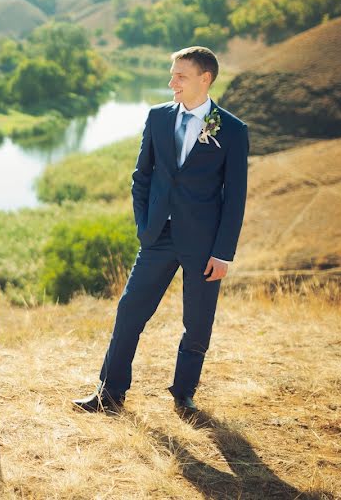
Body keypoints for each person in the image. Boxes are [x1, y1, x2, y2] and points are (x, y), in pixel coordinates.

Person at [74, 46, 249, 414]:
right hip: (157, 238)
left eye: (180, 76)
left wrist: (223, 253)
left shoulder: (232, 130)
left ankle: (183, 395)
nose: (172, 82)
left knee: (197, 322)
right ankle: (110, 393)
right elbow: (142, 177)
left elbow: (235, 197)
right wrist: (144, 226)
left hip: (204, 244)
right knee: (129, 312)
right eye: (172, 74)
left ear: (205, 79)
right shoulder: (157, 117)